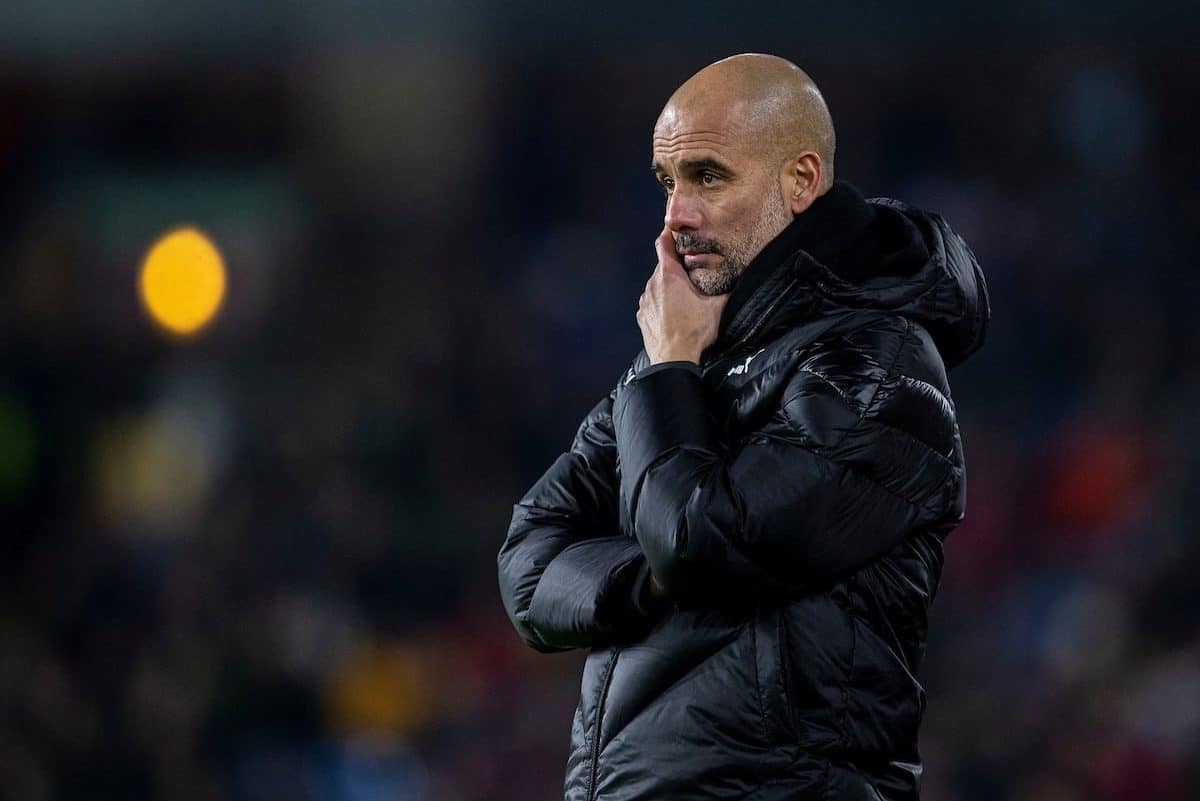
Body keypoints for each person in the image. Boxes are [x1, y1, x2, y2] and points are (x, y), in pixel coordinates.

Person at [497, 53, 989, 801]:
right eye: (668, 182)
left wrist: (667, 382)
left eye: (708, 176)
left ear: (800, 181)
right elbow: (530, 561)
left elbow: (700, 544)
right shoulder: (686, 351)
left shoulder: (879, 361)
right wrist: (648, 575)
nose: (675, 215)